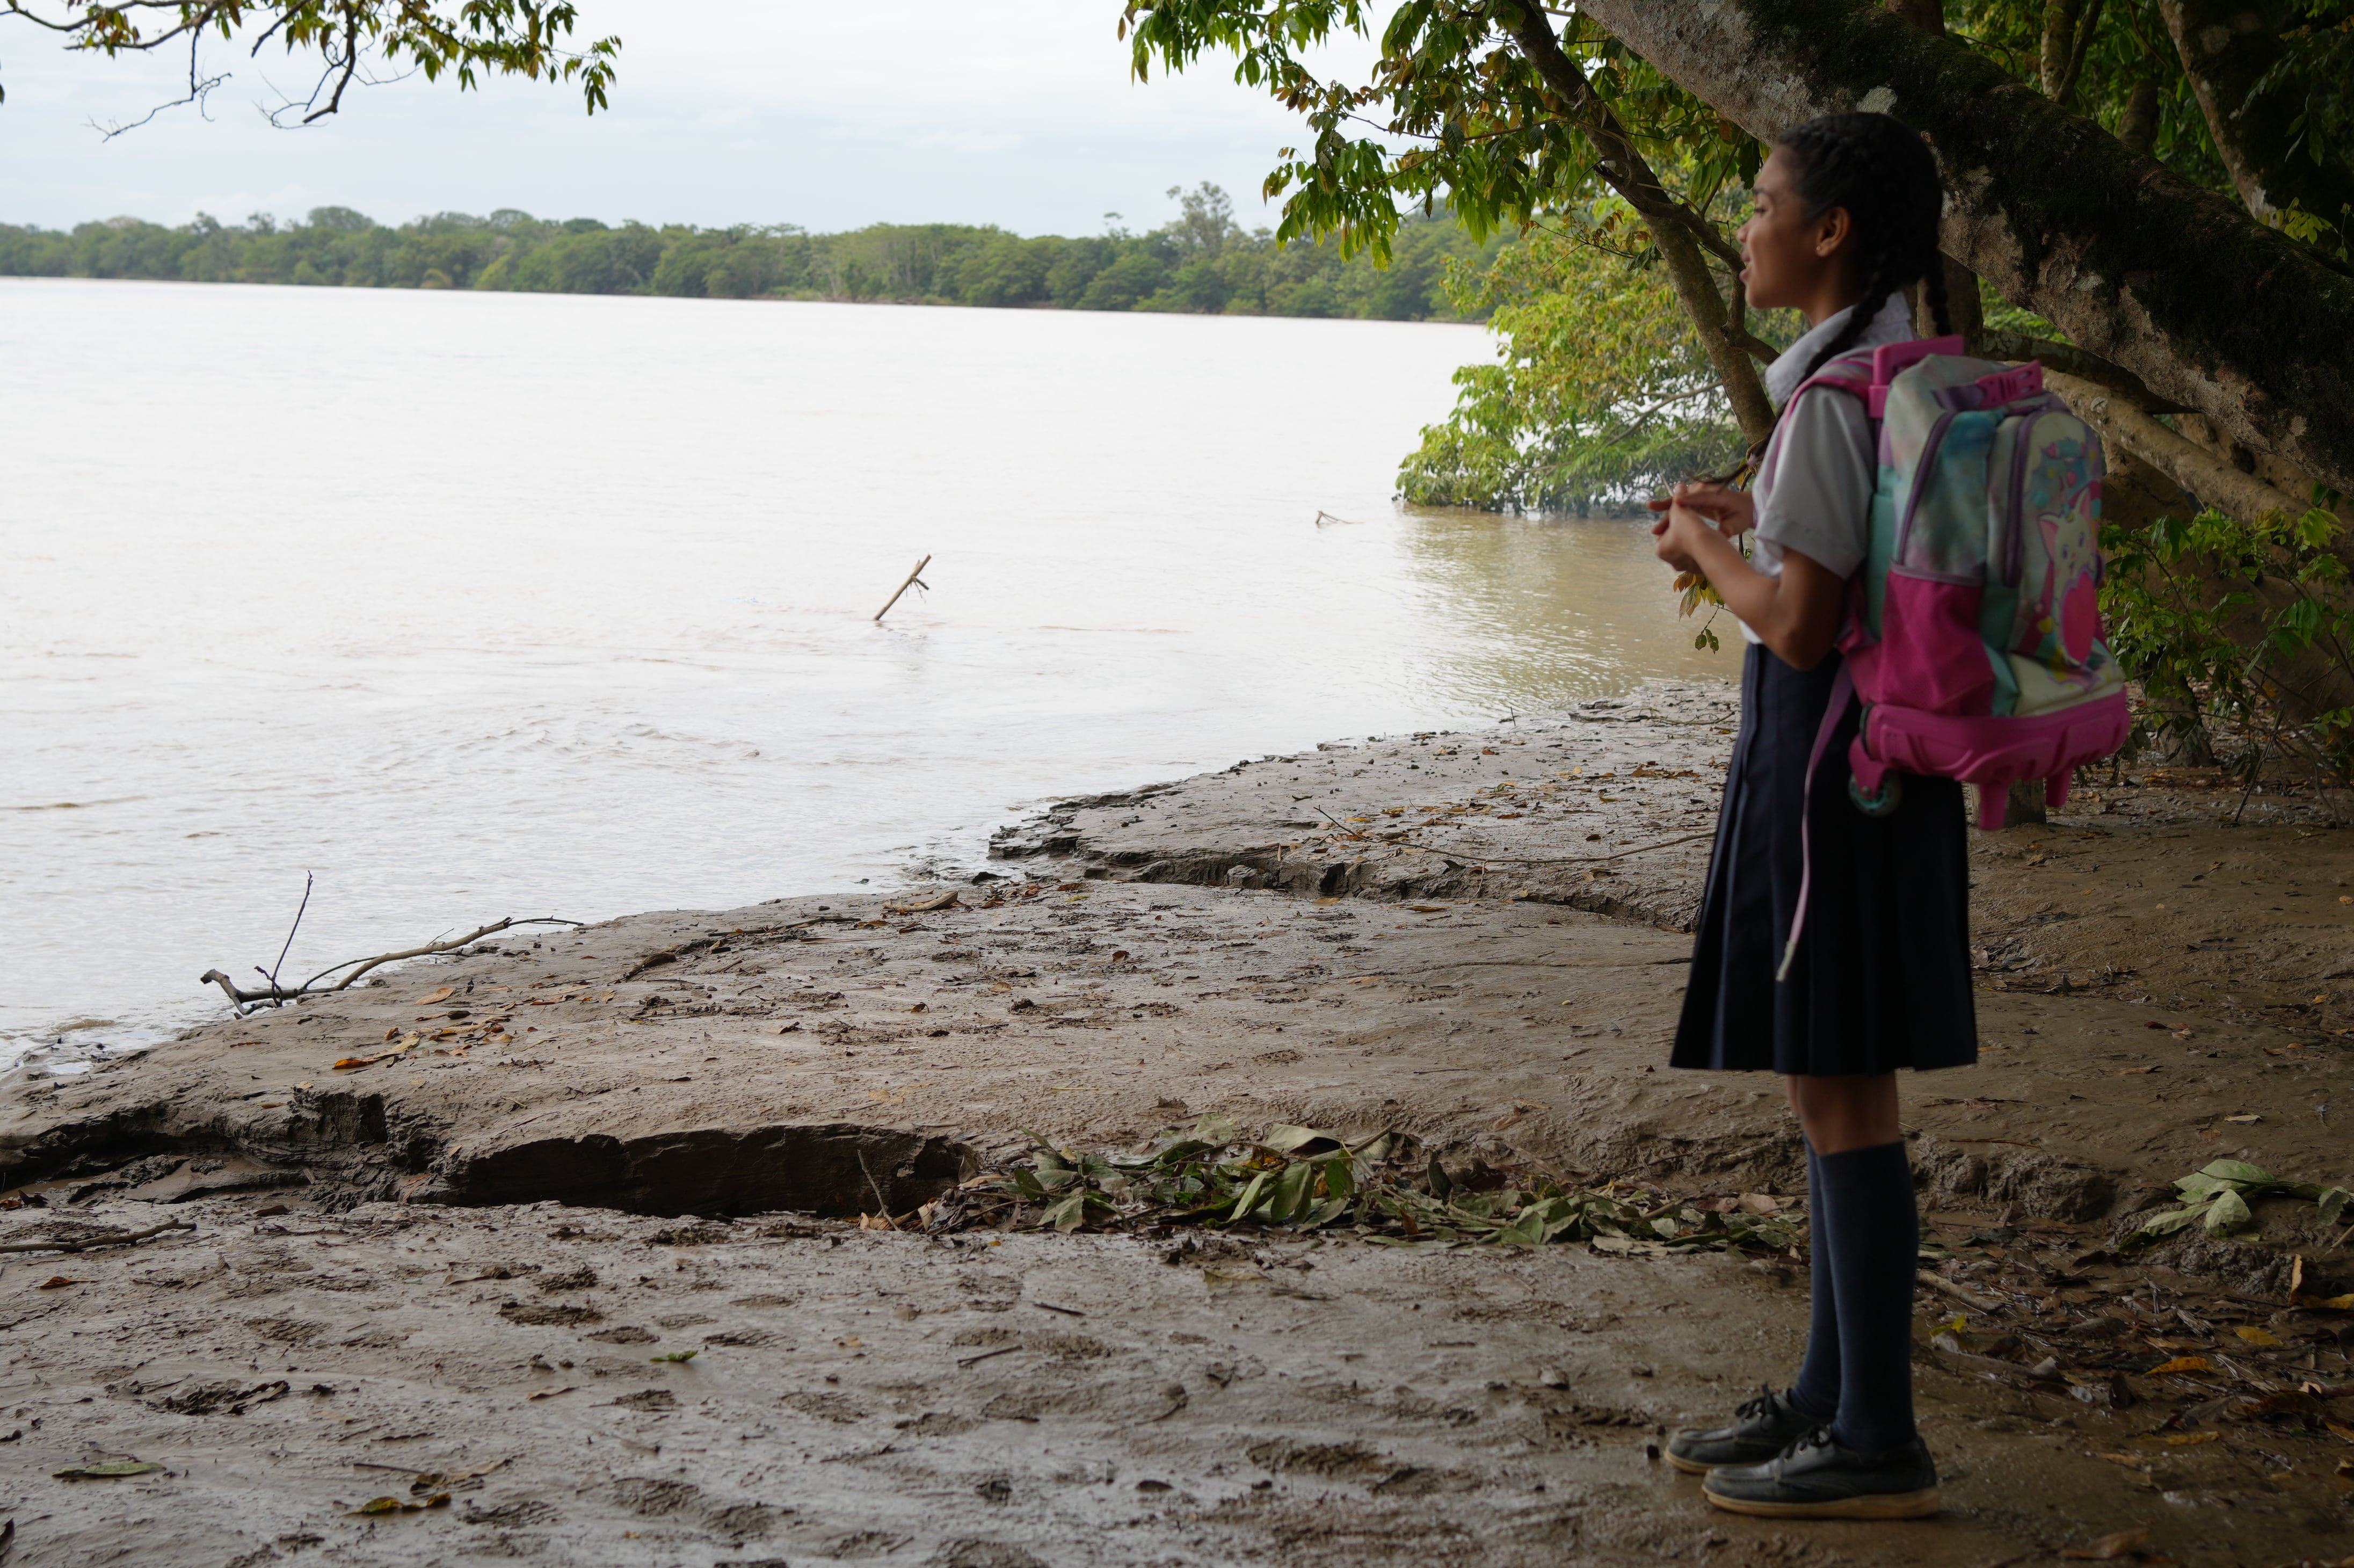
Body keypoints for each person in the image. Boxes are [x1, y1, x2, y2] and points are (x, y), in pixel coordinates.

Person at [1646, 111, 1975, 1521]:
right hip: (1867, 775)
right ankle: (1833, 1393)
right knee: (1831, 1083)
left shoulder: (1838, 400)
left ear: (1830, 232)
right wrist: (1759, 523)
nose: (1749, 223)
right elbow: (1838, 575)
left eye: (1766, 200)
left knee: (1841, 1090)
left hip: (1829, 784)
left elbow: (1797, 624)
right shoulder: (1881, 370)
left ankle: (1877, 1435)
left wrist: (1708, 545)